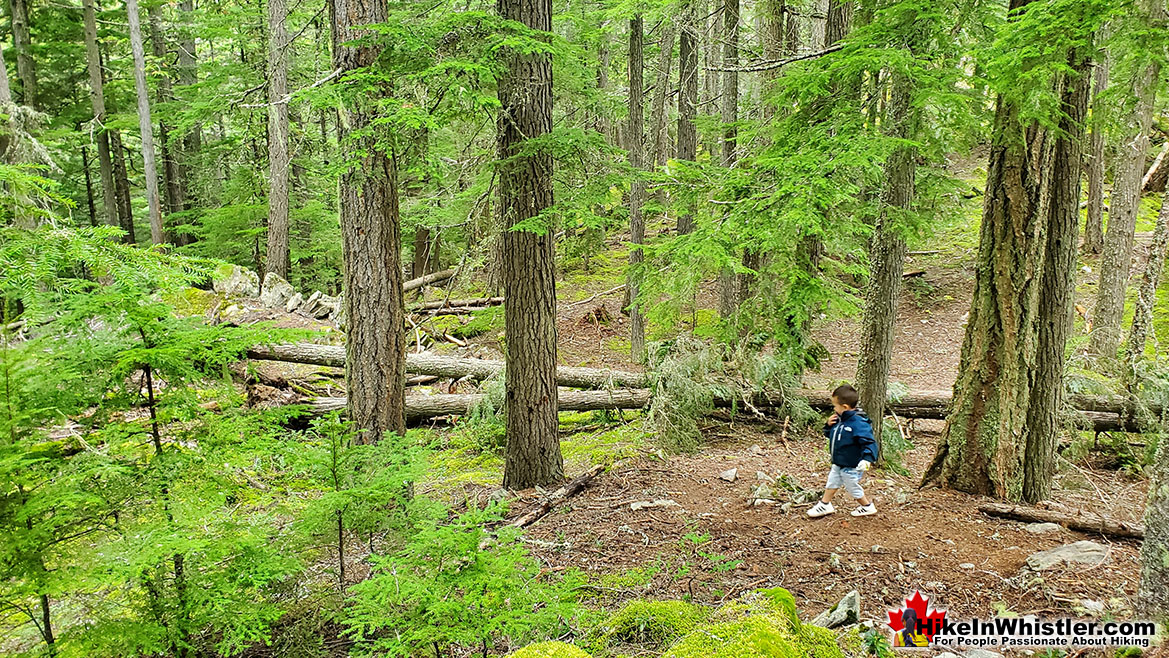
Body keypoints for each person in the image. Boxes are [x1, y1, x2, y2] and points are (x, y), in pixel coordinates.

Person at [806, 384, 878, 518]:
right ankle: (825, 504)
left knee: (852, 486)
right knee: (832, 482)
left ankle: (867, 506)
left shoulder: (858, 423)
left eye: (835, 406)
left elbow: (869, 442)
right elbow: (832, 436)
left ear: (844, 407)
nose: (833, 409)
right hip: (838, 462)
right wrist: (828, 426)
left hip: (852, 465)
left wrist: (867, 459)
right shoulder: (839, 421)